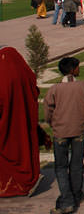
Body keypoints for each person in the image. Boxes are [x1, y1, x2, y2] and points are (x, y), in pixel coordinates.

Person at [44, 57, 84, 214]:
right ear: (73, 70)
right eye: (78, 67)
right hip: (79, 130)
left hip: (60, 132)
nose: (79, 69)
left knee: (61, 166)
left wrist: (53, 123)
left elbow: (48, 112)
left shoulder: (54, 89)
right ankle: (75, 195)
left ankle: (66, 200)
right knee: (77, 164)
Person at [0, 46, 48, 197]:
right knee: (22, 148)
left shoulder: (3, 76)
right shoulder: (23, 74)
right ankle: (22, 184)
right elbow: (34, 89)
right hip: (22, 122)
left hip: (6, 123)